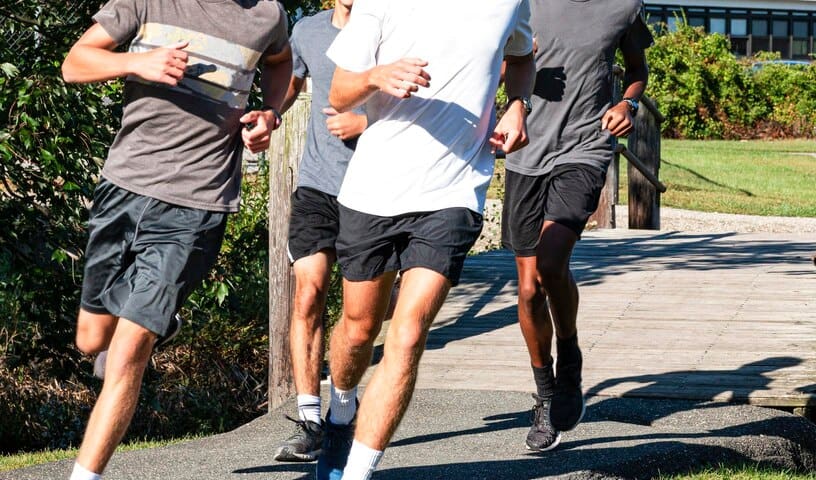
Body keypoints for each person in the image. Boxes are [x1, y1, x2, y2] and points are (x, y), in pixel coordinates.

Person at [61, 0, 290, 478]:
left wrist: (270, 112)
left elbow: (280, 61)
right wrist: (136, 62)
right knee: (92, 341)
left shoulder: (268, 14)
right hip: (124, 187)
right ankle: (161, 322)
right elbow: (74, 63)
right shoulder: (148, 1)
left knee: (126, 354)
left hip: (197, 203)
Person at [315, 0, 535, 478]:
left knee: (410, 331)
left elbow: (522, 57)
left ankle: (358, 471)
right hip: (374, 189)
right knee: (357, 328)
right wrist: (377, 76)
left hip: (455, 189)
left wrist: (518, 105)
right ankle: (341, 412)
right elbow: (339, 90)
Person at [501, 0, 653, 452]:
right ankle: (546, 394)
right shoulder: (524, 4)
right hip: (526, 153)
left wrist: (628, 102)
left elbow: (636, 69)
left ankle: (569, 355)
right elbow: (493, 58)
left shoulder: (624, 7)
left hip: (585, 149)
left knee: (551, 262)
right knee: (528, 290)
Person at [272, 0, 367, 463]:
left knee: (359, 314)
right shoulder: (307, 30)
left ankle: (343, 412)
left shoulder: (389, 27)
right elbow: (288, 83)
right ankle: (310, 420)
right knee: (308, 293)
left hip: (374, 191)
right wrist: (267, 114)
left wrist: (365, 122)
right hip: (316, 186)